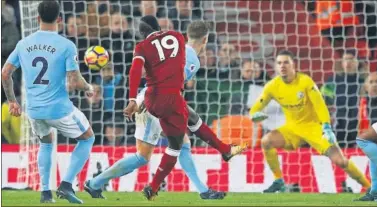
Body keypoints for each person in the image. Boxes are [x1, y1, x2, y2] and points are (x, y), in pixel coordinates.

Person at [84, 21, 233, 200]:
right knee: (145, 156)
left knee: (182, 143)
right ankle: (95, 183)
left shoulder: (164, 50)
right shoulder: (190, 57)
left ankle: (203, 190)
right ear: (206, 39)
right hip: (152, 103)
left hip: (152, 100)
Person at [1, 1, 95, 204]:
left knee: (45, 143)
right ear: (59, 19)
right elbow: (75, 81)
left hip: (34, 110)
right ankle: (66, 185)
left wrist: (12, 101)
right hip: (59, 109)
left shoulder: (23, 43)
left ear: (37, 19)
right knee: (87, 137)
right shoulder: (66, 45)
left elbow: (5, 73)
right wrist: (88, 88)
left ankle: (45, 193)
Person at [249, 50, 370, 193]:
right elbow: (255, 109)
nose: (282, 66)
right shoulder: (272, 86)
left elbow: (320, 105)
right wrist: (255, 116)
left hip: (314, 128)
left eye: (286, 62)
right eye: (279, 63)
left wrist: (326, 126)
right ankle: (278, 180)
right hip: (292, 128)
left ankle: (369, 187)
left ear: (294, 65)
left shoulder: (305, 81)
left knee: (340, 161)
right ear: (275, 66)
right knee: (266, 141)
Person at [122, 15, 189, 201]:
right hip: (169, 98)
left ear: (142, 33)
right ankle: (97, 183)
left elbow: (135, 70)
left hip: (151, 100)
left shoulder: (143, 47)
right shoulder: (178, 38)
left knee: (179, 145)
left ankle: (155, 185)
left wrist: (132, 98)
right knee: (173, 146)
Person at [354, 72, 377, 201]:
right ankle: (375, 192)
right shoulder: (365, 102)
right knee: (372, 153)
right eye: (371, 82)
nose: (374, 85)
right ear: (366, 86)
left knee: (362, 140)